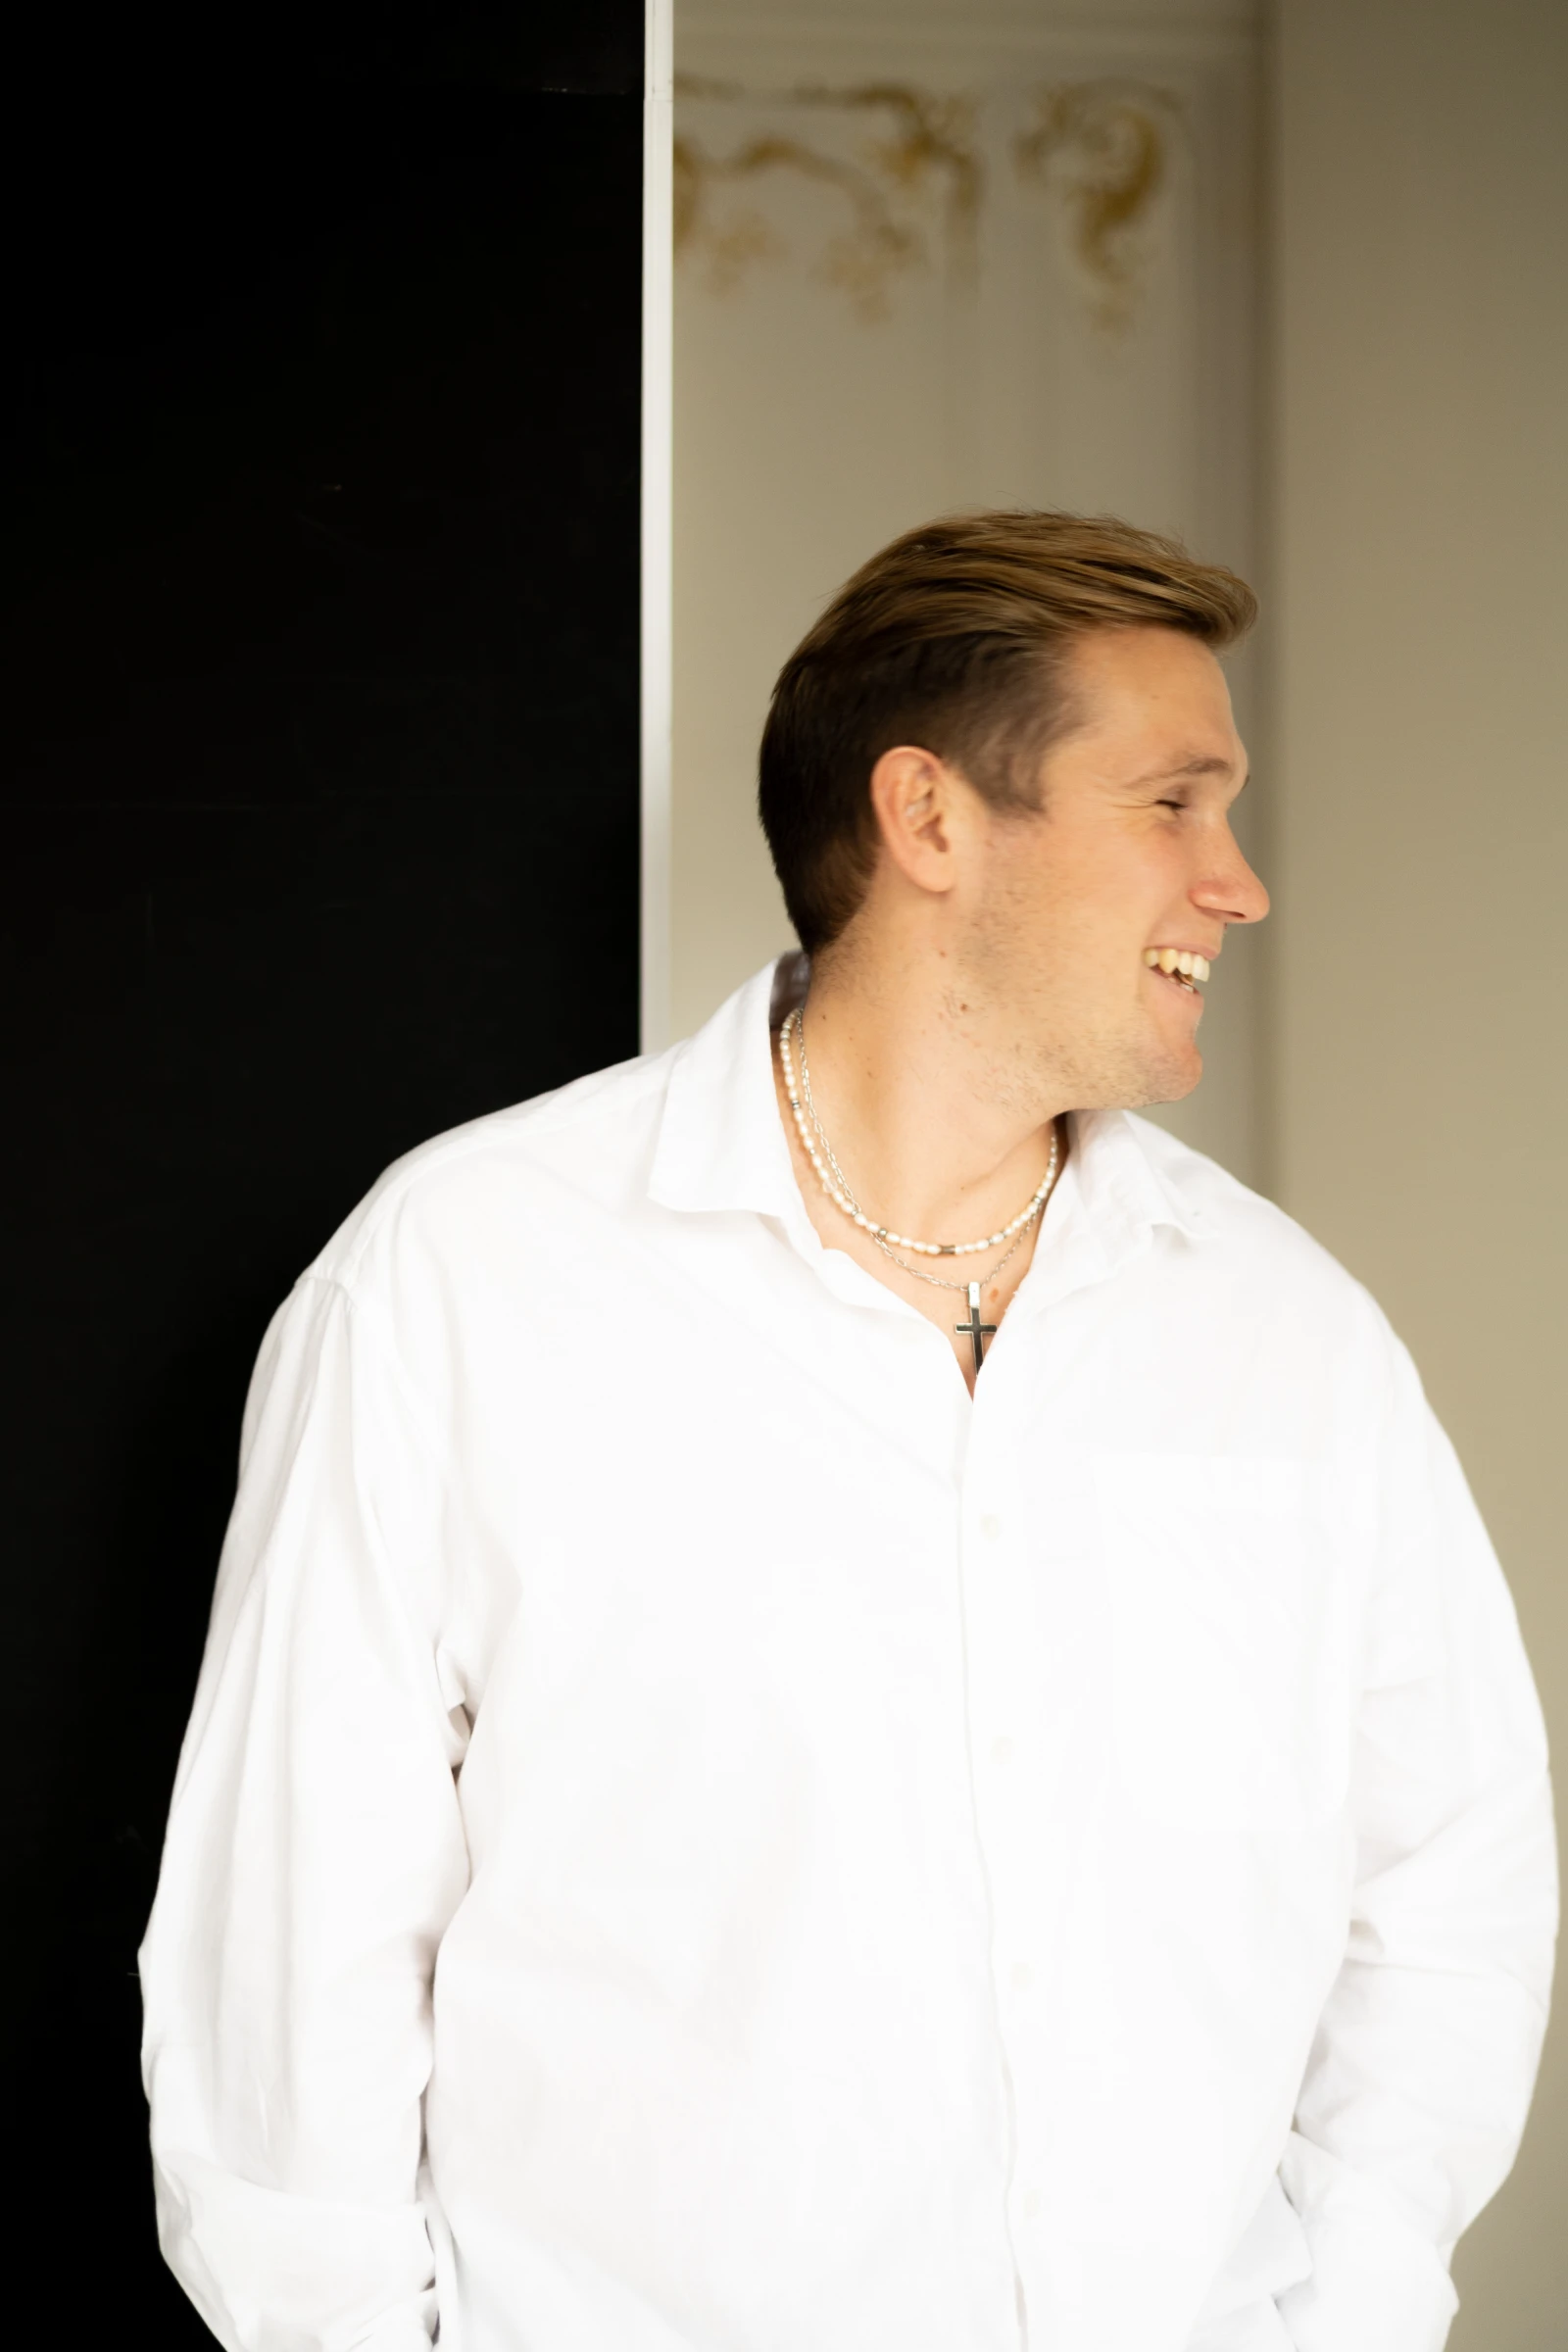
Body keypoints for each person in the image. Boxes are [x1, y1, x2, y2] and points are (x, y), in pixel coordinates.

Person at [139, 512, 1556, 2352]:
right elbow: (290, 1952)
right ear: (931, 818)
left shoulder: (1292, 1337)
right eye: (1173, 805)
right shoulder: (462, 1281)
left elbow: (1445, 1888)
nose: (1239, 884)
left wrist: (1345, 2315)